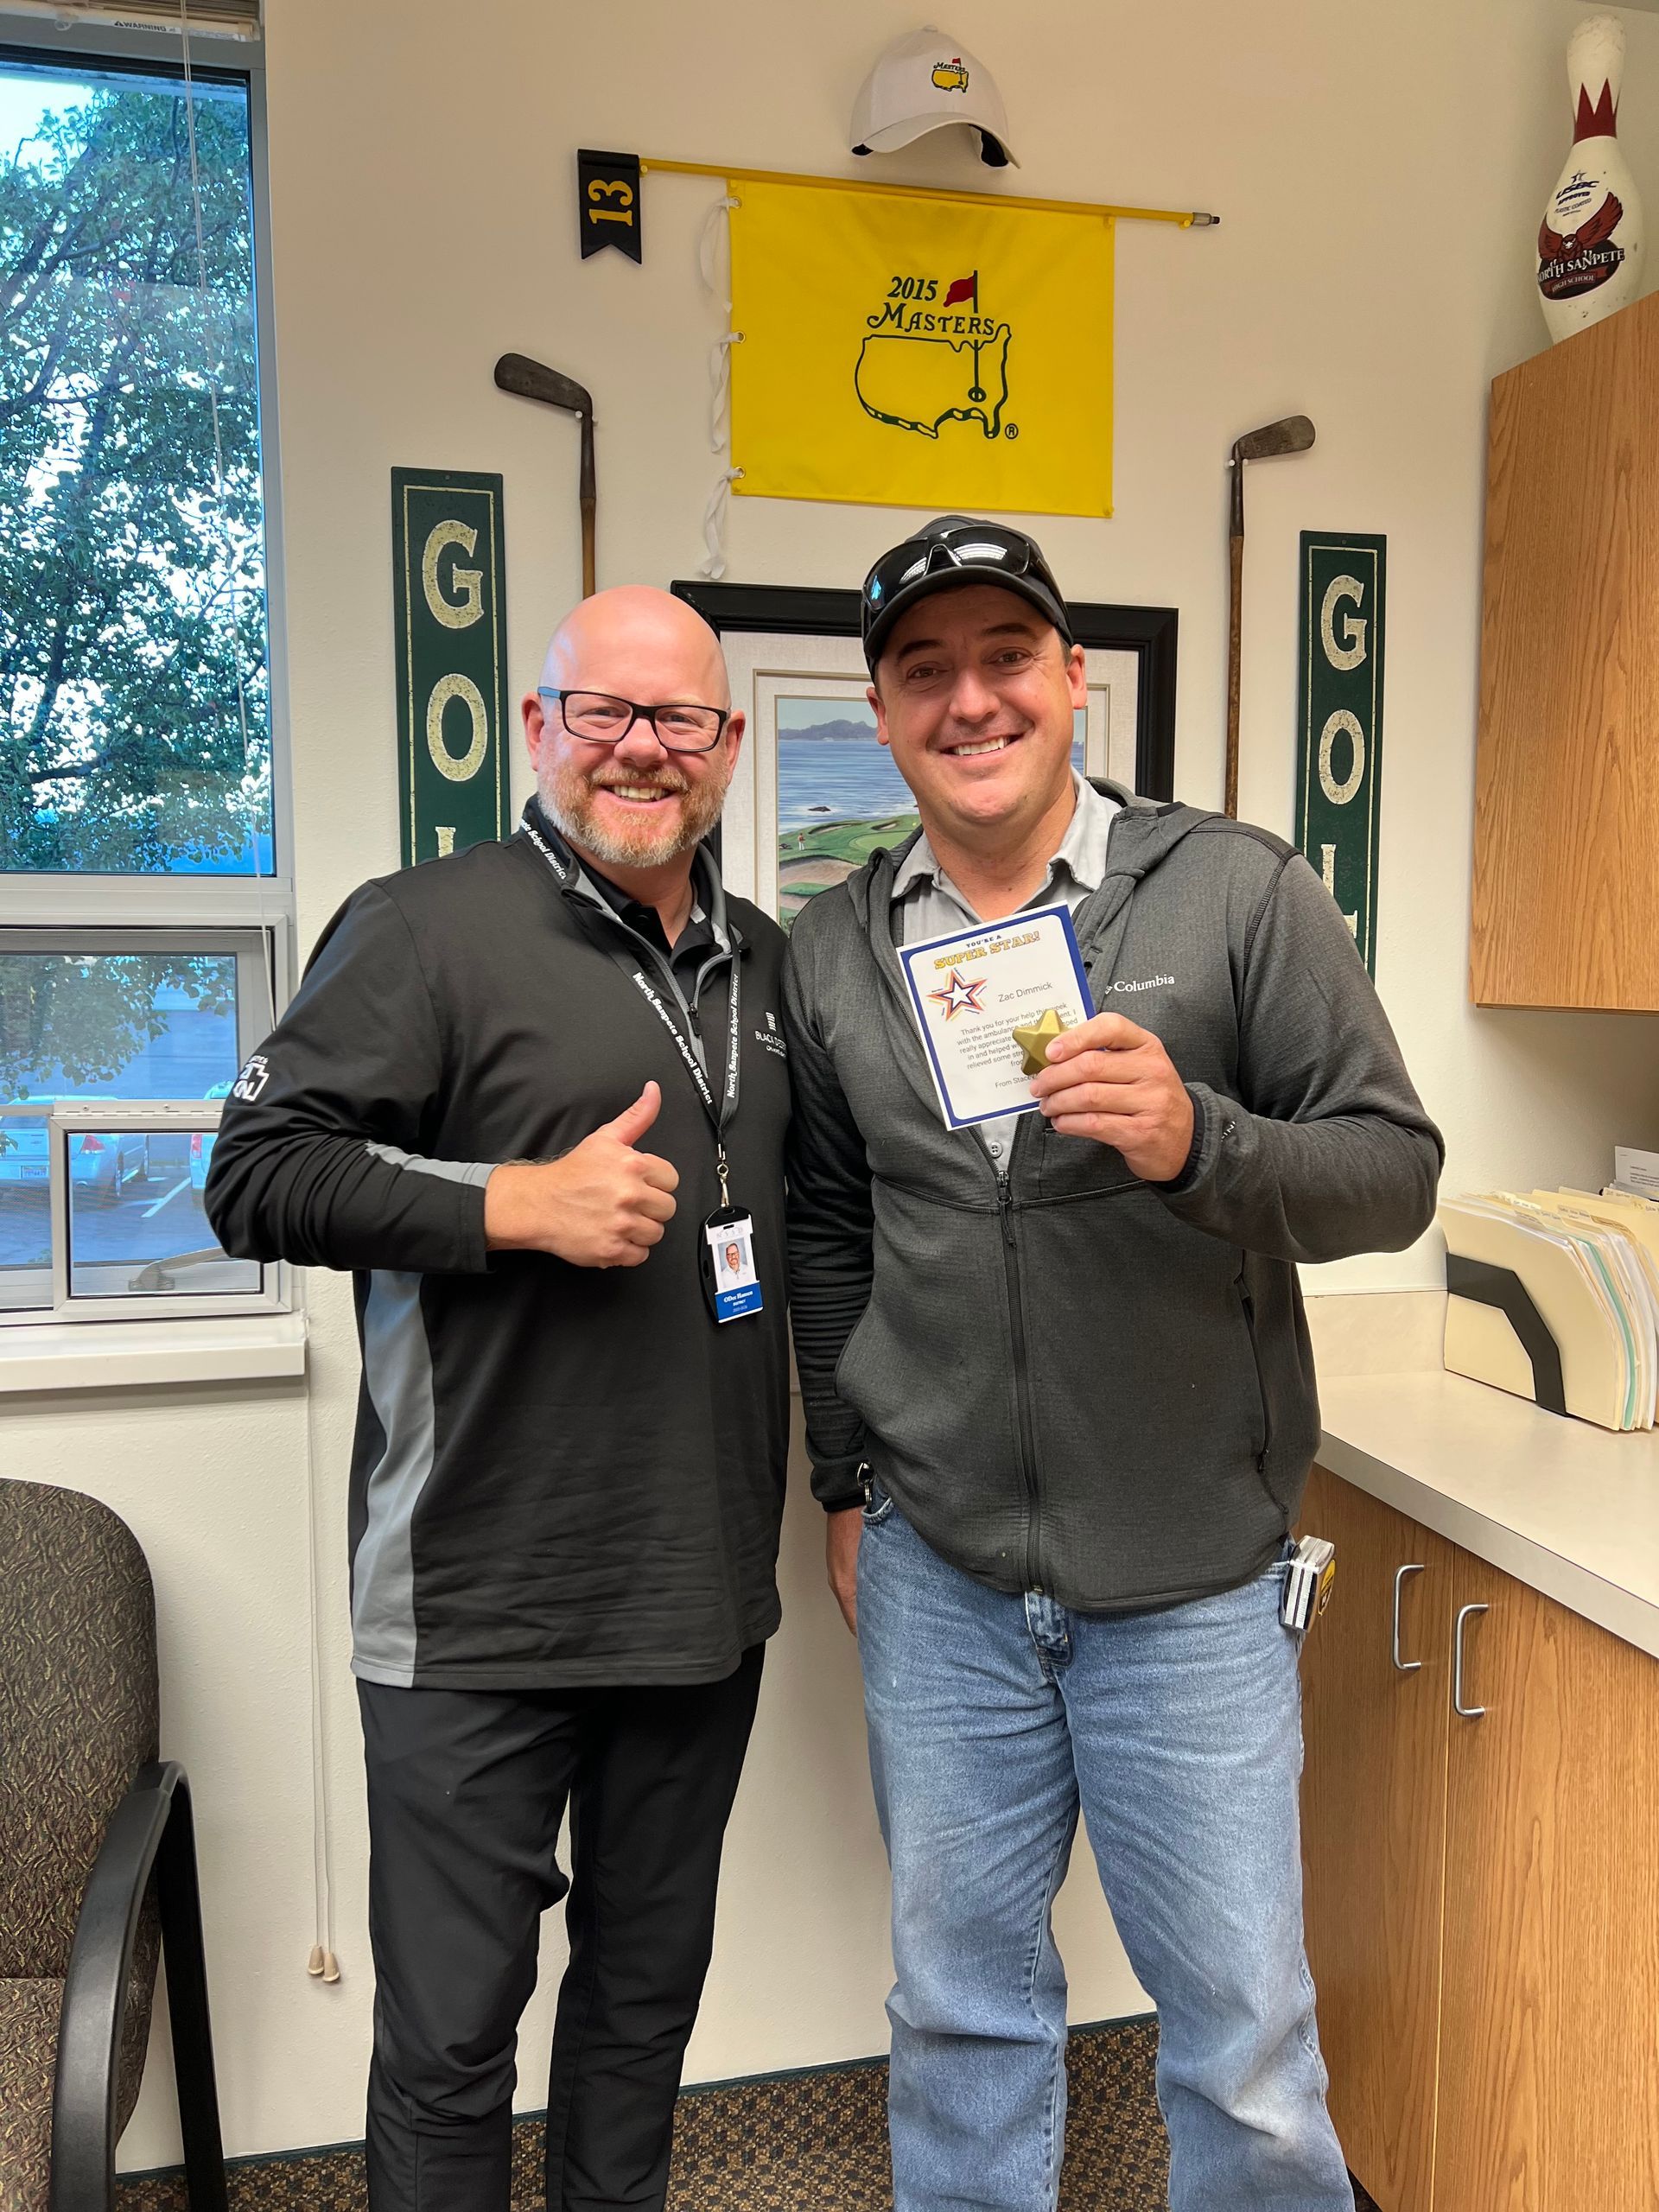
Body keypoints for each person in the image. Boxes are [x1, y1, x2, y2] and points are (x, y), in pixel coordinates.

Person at [783, 517, 1443, 2212]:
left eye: (1007, 654)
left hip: (1192, 1583)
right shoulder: (840, 944)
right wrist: (845, 1478)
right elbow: (837, 1227)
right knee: (960, 2021)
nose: (971, 696)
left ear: (1072, 680)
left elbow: (1390, 1172)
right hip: (941, 1577)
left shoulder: (1234, 889)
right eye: (924, 668)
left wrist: (1199, 1138)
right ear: (882, 709)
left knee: (1242, 2048)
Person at [206, 587, 791, 2212]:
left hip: (694, 1598)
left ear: (727, 747)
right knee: (456, 2044)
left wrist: (847, 1489)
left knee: (639, 2018)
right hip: (475, 1599)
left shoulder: (773, 966)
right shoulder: (421, 927)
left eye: (678, 718)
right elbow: (255, 1176)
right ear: (538, 730)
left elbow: (820, 1247)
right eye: (600, 712)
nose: (639, 749)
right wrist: (506, 1207)